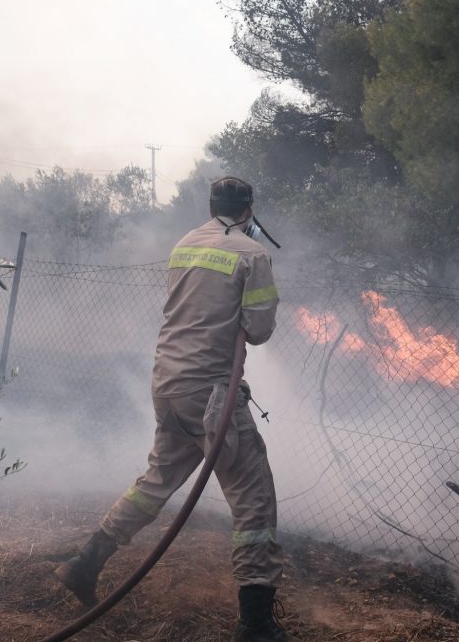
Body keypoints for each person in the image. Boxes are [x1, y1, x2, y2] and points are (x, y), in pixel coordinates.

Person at [54, 176, 291, 642]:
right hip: (209, 395)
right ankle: (256, 623)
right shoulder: (252, 255)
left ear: (211, 206)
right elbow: (259, 330)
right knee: (253, 499)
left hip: (168, 384)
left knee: (155, 482)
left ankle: (85, 564)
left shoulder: (185, 244)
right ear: (248, 210)